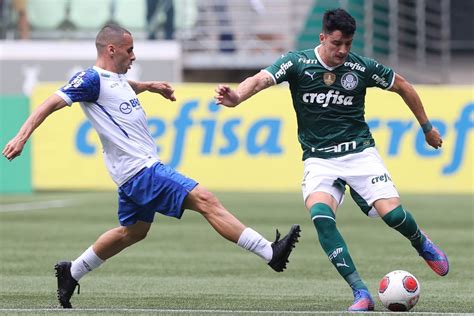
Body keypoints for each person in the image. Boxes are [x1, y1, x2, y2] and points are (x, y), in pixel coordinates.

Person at [1, 24, 301, 309]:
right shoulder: (90, 79)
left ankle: (72, 272)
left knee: (132, 232)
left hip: (133, 173)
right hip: (142, 171)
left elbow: (122, 86)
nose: (133, 56)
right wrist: (20, 137)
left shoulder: (112, 79)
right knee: (206, 200)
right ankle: (269, 252)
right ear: (111, 49)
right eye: (129, 50)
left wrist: (150, 86)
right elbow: (49, 104)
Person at [215, 8, 449, 312]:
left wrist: (427, 128)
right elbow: (260, 79)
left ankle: (421, 242)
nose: (342, 51)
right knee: (322, 217)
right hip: (319, 159)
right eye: (336, 43)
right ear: (323, 36)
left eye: (348, 44)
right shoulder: (297, 63)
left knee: (391, 215)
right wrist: (236, 98)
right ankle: (360, 293)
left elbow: (403, 85)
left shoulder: (360, 68)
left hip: (359, 153)